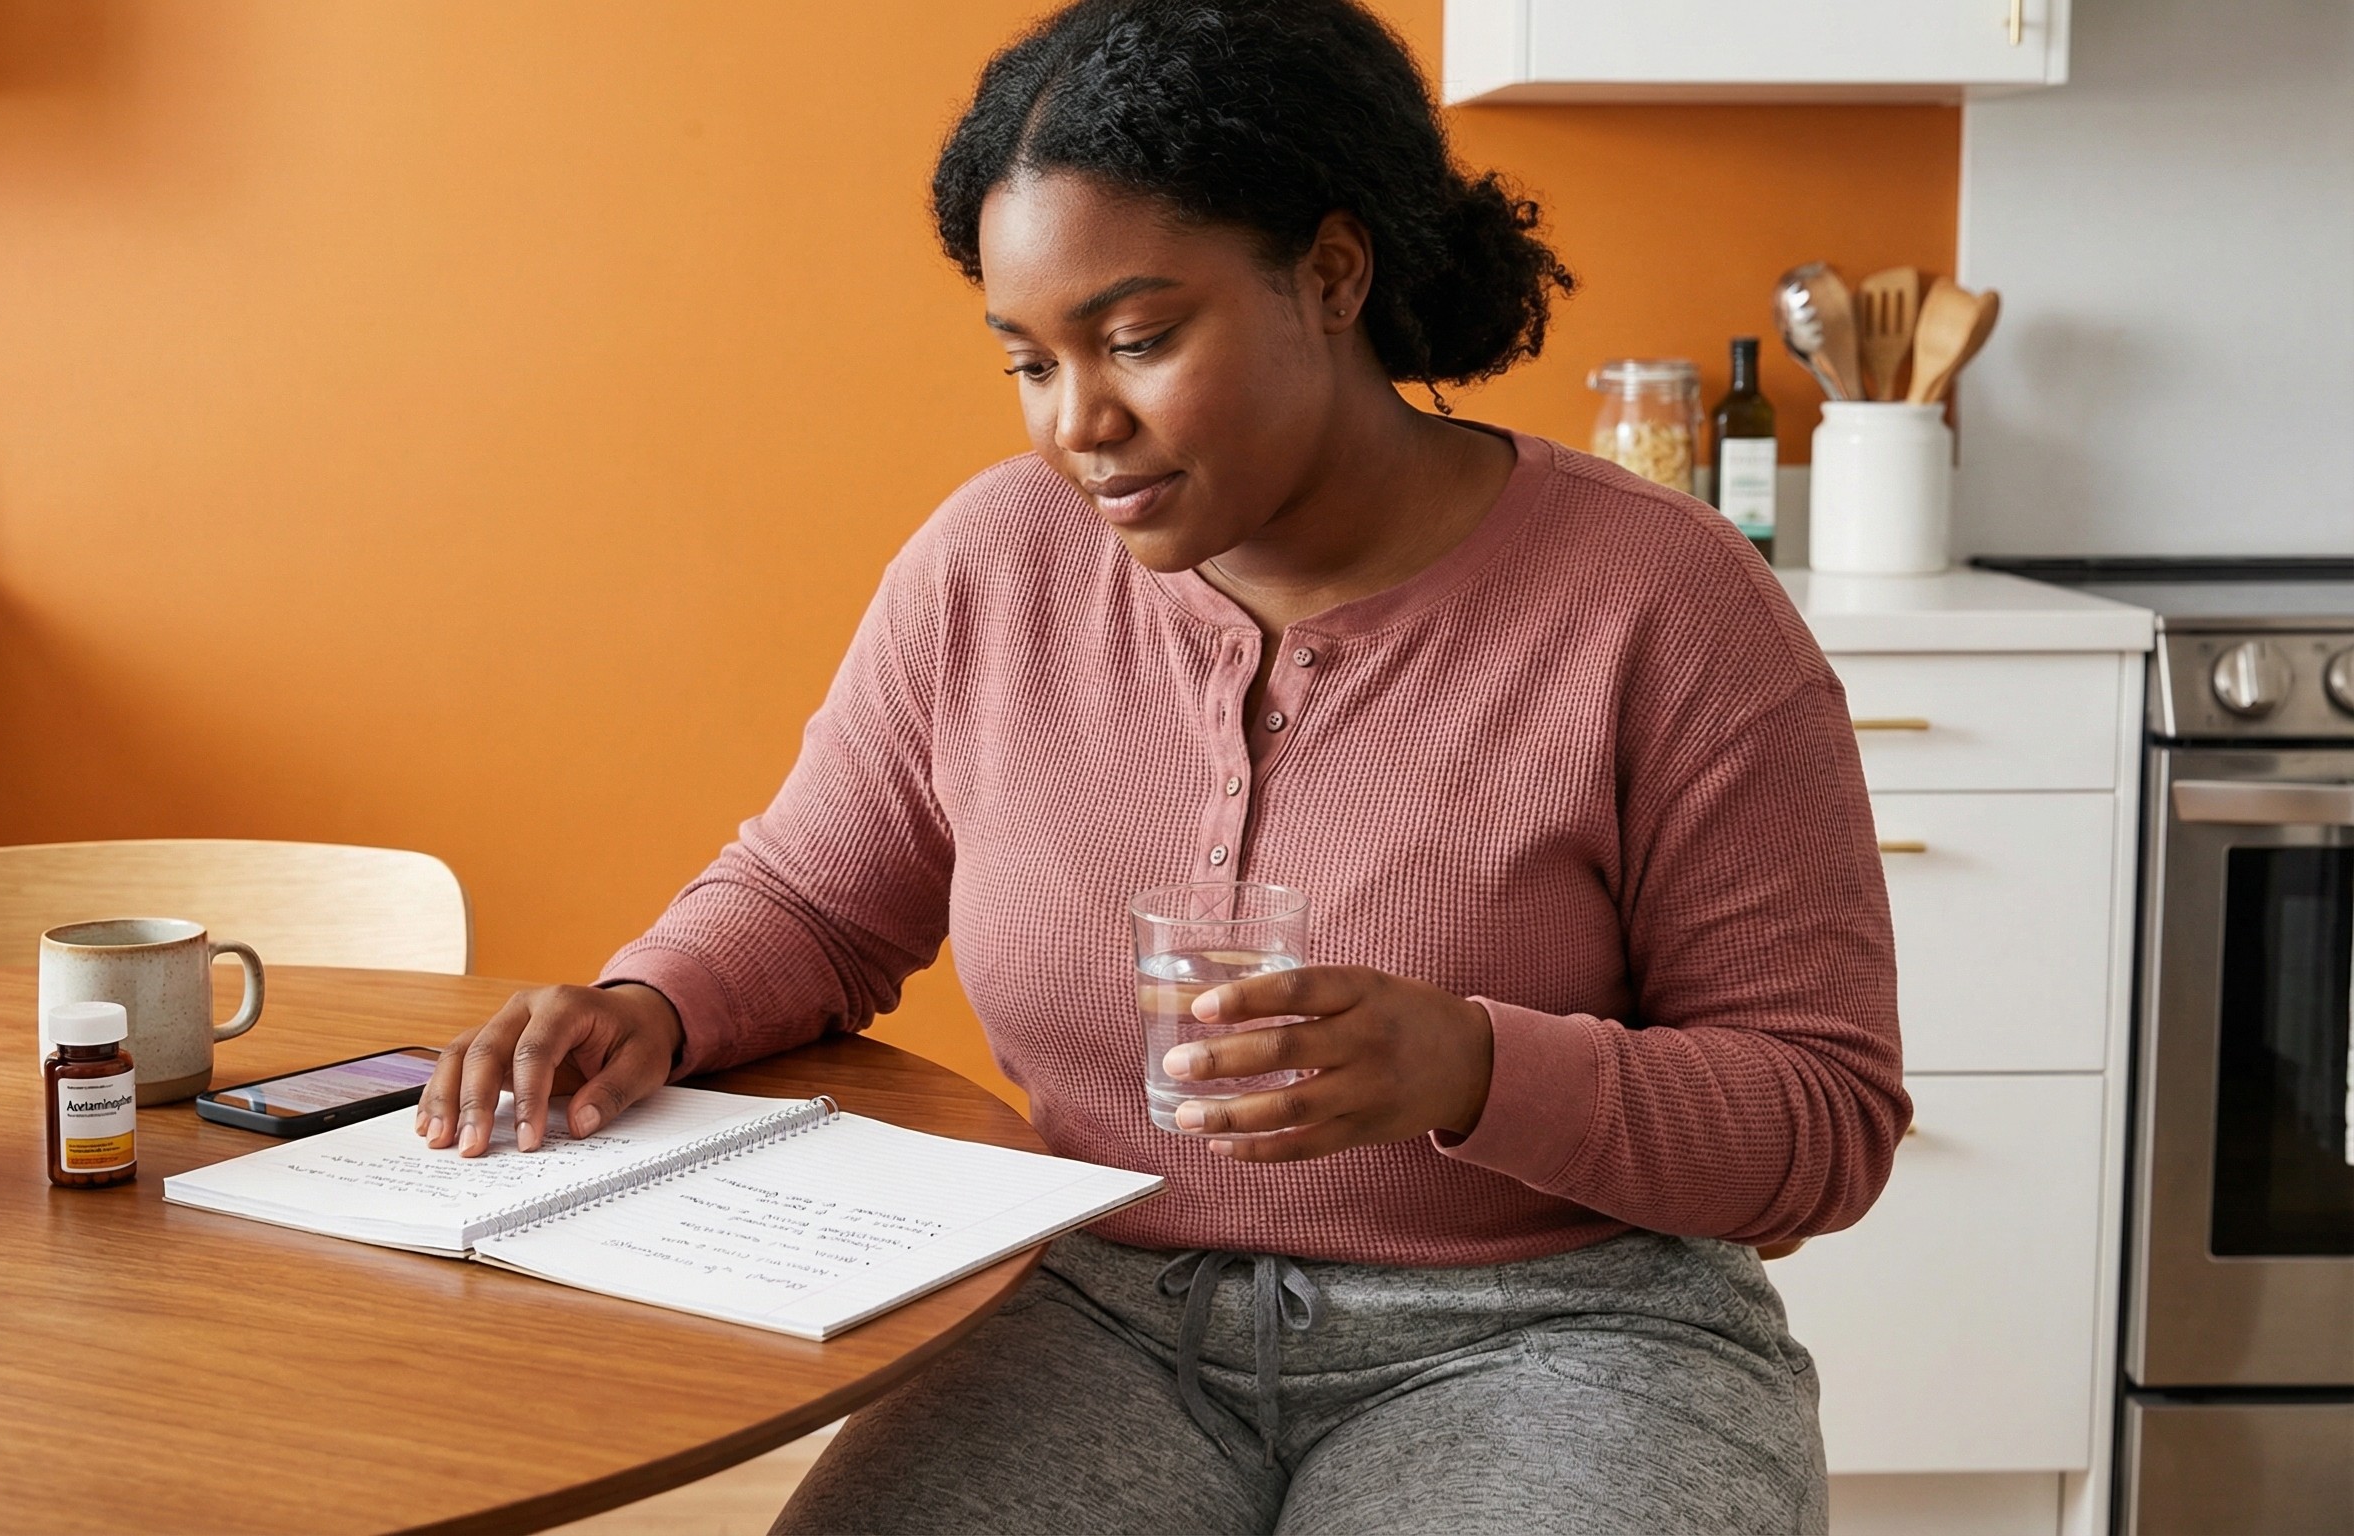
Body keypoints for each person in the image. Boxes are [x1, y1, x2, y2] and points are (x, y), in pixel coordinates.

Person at [418, 2, 1906, 1530]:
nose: (1080, 424)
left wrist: (1473, 1064)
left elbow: (1823, 1120)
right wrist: (645, 1005)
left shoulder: (1663, 602)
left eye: (1137, 339)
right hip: (1089, 1305)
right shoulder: (996, 566)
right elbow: (816, 898)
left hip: (1563, 1336)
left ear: (1331, 276)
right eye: (1028, 360)